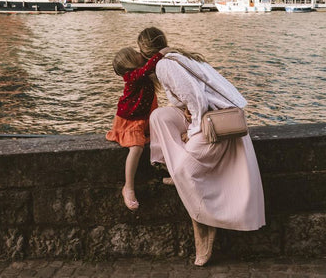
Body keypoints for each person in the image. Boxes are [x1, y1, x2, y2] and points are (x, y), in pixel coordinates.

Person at [137, 27, 265, 267]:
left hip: (216, 123)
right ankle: (170, 166)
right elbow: (181, 98)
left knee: (187, 172)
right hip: (211, 115)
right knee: (159, 117)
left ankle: (205, 228)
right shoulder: (178, 57)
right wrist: (186, 112)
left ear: (143, 51)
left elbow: (197, 99)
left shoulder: (165, 65)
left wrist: (192, 130)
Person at [106, 46, 163, 211]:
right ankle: (128, 187)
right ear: (130, 62)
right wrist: (161, 53)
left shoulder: (142, 75)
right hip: (129, 122)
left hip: (142, 119)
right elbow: (147, 69)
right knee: (137, 148)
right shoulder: (132, 77)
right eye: (136, 54)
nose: (140, 53)